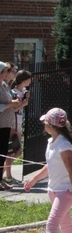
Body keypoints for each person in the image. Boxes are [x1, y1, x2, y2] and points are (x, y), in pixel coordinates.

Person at [24, 108, 72, 233]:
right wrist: (34, 179)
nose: (43, 124)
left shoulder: (64, 145)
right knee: (66, 225)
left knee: (51, 225)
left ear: (51, 126)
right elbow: (50, 165)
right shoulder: (52, 142)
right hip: (54, 190)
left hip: (65, 191)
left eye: (45, 122)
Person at [4, 69, 31, 184]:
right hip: (13, 123)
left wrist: (26, 99)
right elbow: (12, 110)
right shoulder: (13, 92)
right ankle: (8, 175)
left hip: (19, 123)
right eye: (29, 79)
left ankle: (6, 172)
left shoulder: (24, 91)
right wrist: (23, 104)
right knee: (14, 150)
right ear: (24, 80)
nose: (30, 81)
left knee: (18, 151)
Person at [0, 62, 20, 191]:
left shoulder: (3, 85)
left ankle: (0, 180)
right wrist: (11, 104)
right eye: (5, 71)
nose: (7, 73)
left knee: (2, 153)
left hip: (6, 125)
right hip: (0, 125)